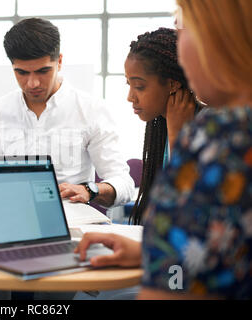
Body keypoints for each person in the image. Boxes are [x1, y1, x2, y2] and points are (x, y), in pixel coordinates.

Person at [76, 0, 251, 299]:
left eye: (184, 27)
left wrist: (181, 137)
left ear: (224, 33)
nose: (180, 45)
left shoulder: (220, 138)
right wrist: (149, 253)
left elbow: (175, 283)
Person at [0, 18, 134, 210]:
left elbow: (124, 183)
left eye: (42, 71)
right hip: (13, 217)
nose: (32, 83)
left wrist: (90, 189)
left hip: (71, 221)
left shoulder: (90, 110)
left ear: (59, 61)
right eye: (21, 73)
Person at [125, 27, 201, 225]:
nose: (130, 97)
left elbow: (187, 204)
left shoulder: (206, 126)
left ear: (173, 84)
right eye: (129, 85)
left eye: (139, 86)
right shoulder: (160, 126)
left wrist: (177, 135)